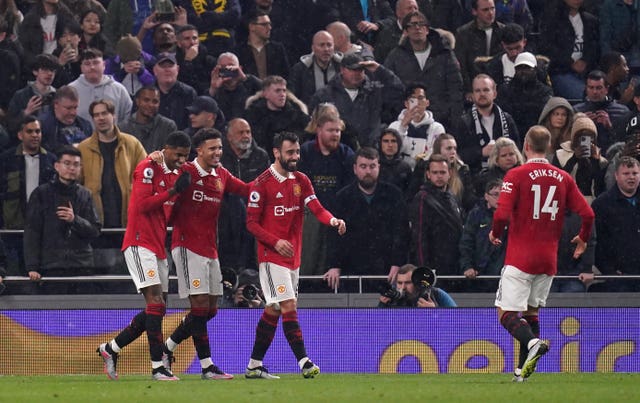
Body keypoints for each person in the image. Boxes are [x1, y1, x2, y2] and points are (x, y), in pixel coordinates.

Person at [489, 125, 594, 381]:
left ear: (525, 145)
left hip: (520, 256)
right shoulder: (563, 177)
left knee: (505, 313)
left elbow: (501, 213)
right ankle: (523, 373)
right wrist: (583, 239)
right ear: (548, 147)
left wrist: (495, 233)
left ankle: (533, 343)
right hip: (548, 259)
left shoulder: (516, 174)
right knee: (531, 312)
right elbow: (588, 213)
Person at [244, 131, 346, 379]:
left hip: (293, 258)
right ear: (276, 152)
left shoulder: (301, 180)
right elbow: (251, 224)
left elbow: (316, 208)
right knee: (288, 306)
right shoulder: (261, 184)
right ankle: (305, 362)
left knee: (274, 309)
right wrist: (275, 241)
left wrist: (333, 220)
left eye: (297, 151)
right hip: (271, 257)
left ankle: (254, 366)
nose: (295, 156)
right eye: (290, 152)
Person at [96, 132, 191, 381]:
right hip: (139, 242)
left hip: (158, 246)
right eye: (177, 154)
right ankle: (158, 367)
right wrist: (172, 191)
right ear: (166, 149)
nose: (181, 159)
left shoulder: (172, 175)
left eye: (185, 155)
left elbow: (168, 212)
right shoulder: (148, 167)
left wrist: (179, 193)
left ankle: (111, 349)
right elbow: (141, 206)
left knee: (157, 308)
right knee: (156, 304)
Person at [163, 128, 249, 380]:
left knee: (211, 310)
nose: (217, 152)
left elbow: (246, 189)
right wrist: (175, 191)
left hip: (211, 249)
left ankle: (167, 347)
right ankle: (207, 366)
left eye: (220, 148)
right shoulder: (186, 172)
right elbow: (167, 205)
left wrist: (273, 179)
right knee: (199, 307)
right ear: (198, 150)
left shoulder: (221, 174)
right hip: (187, 246)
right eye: (212, 148)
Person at [325, 147, 409, 291]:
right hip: (351, 268)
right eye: (363, 166)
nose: (368, 171)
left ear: (379, 167)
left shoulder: (394, 195)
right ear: (355, 169)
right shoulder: (342, 197)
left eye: (372, 166)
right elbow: (333, 236)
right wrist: (334, 265)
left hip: (386, 268)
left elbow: (401, 232)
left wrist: (397, 263)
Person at [23, 145, 100, 294]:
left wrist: (74, 220)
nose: (72, 168)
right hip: (51, 266)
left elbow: (95, 230)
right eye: (67, 163)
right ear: (56, 166)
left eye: (76, 164)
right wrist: (32, 266)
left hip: (81, 266)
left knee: (83, 313)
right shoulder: (41, 193)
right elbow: (32, 232)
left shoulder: (85, 195)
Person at [298, 104, 355, 280]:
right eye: (331, 130)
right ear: (319, 130)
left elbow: (349, 189)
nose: (336, 134)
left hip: (336, 215)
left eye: (338, 131)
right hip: (309, 216)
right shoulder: (305, 152)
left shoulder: (346, 154)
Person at [384, 11, 463, 128]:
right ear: (405, 31)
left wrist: (454, 117)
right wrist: (401, 113)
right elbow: (389, 88)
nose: (417, 28)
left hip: (443, 119)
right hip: (408, 120)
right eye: (412, 25)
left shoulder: (444, 53)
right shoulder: (396, 56)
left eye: (421, 24)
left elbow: (456, 87)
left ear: (427, 29)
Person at [309, 52, 404, 148]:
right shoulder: (325, 95)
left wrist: (380, 70)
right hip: (338, 153)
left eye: (360, 70)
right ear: (342, 69)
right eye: (352, 70)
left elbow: (399, 91)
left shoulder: (375, 91)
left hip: (371, 152)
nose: (357, 73)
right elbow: (312, 125)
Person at [77, 99, 147, 228]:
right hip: (95, 220)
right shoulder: (83, 148)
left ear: (114, 115)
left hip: (128, 218)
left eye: (104, 113)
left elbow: (147, 178)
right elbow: (77, 184)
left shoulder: (132, 144)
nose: (101, 118)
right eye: (96, 115)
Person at [218, 118, 269, 272]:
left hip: (253, 205)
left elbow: (266, 185)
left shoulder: (260, 155)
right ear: (229, 137)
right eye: (241, 133)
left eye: (248, 132)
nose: (246, 136)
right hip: (225, 208)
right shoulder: (220, 155)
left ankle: (247, 267)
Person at [409, 154, 464, 288]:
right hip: (435, 266)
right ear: (428, 174)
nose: (439, 176)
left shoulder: (452, 196)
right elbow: (420, 237)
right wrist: (425, 269)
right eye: (435, 172)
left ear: (449, 173)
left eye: (442, 172)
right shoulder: (422, 198)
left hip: (454, 263)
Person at [452, 73, 519, 174]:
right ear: (473, 95)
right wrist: (481, 152)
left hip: (506, 176)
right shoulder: (464, 122)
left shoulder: (507, 119)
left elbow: (517, 150)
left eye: (486, 90)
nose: (482, 94)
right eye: (477, 91)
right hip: (475, 177)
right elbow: (459, 155)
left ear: (494, 94)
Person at [590, 155, 640, 292]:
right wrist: (610, 272)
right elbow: (596, 243)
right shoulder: (601, 205)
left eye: (635, 173)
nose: (631, 177)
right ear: (616, 176)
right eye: (626, 174)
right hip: (617, 277)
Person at [0, 116, 57, 230]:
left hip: (44, 225)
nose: (35, 135)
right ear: (20, 135)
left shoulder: (51, 160)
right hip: (14, 225)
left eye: (37, 131)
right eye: (29, 131)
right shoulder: (6, 159)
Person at [539, 0, 599, 100]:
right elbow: (547, 47)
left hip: (587, 70)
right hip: (560, 71)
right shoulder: (552, 20)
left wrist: (585, 61)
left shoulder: (591, 20)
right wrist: (570, 62)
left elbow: (594, 47)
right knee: (584, 96)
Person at [244, 75, 309, 159]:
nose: (282, 94)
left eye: (284, 91)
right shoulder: (253, 115)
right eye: (277, 91)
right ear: (265, 94)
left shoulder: (295, 114)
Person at [459, 179, 506, 292]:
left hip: (505, 275)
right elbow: (466, 242)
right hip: (480, 274)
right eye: (495, 194)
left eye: (503, 194)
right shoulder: (476, 215)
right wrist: (467, 266)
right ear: (486, 196)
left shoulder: (513, 216)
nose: (499, 198)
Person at [552, 113, 608, 203]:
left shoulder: (602, 162)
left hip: (592, 204)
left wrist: (595, 162)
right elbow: (557, 182)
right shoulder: (560, 155)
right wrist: (574, 159)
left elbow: (600, 189)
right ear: (574, 138)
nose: (586, 141)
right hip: (567, 203)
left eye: (590, 137)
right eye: (582, 137)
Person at [388, 82, 446, 169]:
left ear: (427, 102)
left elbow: (434, 155)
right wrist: (403, 127)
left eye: (421, 98)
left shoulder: (436, 128)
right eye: (413, 99)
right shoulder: (394, 126)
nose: (417, 103)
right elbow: (391, 152)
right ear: (406, 104)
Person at [69, 48, 133, 126]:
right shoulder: (71, 90)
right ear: (81, 67)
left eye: (96, 63)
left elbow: (128, 117)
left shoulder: (119, 89)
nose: (92, 67)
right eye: (87, 64)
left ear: (104, 65)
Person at [455, 0, 505, 98]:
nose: (490, 13)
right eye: (485, 10)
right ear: (474, 11)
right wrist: (468, 90)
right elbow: (462, 65)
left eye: (492, 8)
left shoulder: (503, 30)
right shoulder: (463, 33)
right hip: (473, 86)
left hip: (498, 87)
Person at [496, 52, 553, 137]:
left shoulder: (545, 91)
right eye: (520, 68)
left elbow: (542, 113)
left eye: (527, 68)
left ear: (535, 69)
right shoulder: (505, 89)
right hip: (510, 133)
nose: (523, 71)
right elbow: (504, 113)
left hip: (536, 134)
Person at [574, 70, 630, 152]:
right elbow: (569, 140)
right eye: (591, 87)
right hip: (584, 155)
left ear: (606, 89)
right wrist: (583, 126)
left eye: (599, 88)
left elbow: (625, 140)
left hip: (613, 156)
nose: (595, 92)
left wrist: (610, 127)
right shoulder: (577, 111)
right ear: (586, 89)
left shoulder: (622, 111)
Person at [288, 30, 342, 105]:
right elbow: (292, 95)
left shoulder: (342, 66)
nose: (326, 49)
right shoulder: (300, 69)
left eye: (329, 45)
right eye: (321, 45)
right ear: (313, 48)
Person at [119, 86, 178, 153]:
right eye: (146, 100)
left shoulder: (168, 126)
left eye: (155, 101)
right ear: (137, 101)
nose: (151, 105)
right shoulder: (123, 128)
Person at [208, 51, 262, 120]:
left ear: (240, 68)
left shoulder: (250, 84)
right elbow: (205, 110)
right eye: (223, 67)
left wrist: (244, 78)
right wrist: (213, 88)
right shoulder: (215, 89)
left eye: (231, 66)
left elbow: (268, 90)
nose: (227, 69)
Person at [235, 10, 289, 79]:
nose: (269, 27)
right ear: (252, 27)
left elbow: (286, 76)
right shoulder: (239, 51)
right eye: (264, 24)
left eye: (270, 24)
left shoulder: (278, 49)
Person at [39, 85, 92, 154]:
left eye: (75, 107)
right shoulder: (43, 126)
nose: (73, 112)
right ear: (56, 104)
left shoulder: (86, 125)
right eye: (68, 108)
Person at [153, 52, 198, 130]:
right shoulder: (146, 94)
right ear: (155, 70)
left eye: (170, 66)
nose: (167, 69)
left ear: (177, 69)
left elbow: (193, 124)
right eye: (163, 66)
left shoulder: (189, 93)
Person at [378, 264, 457, 308]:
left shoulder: (437, 294)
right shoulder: (391, 297)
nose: (403, 287)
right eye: (399, 283)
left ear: (417, 282)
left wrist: (435, 312)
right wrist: (382, 305)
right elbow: (377, 327)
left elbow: (457, 321)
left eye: (408, 282)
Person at [175, 24, 217, 95]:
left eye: (194, 38)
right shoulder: (174, 62)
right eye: (187, 38)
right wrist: (187, 61)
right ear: (179, 43)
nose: (192, 42)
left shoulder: (209, 61)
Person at [378, 128, 412, 194]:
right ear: (380, 144)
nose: (390, 145)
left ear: (398, 144)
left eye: (393, 141)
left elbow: (409, 193)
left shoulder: (405, 167)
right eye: (386, 141)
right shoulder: (374, 165)